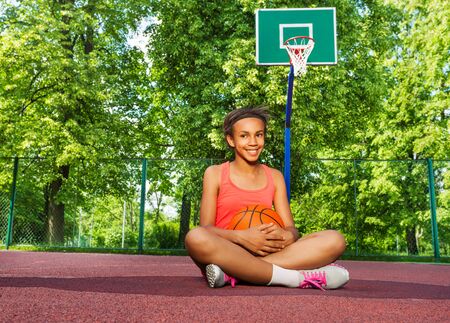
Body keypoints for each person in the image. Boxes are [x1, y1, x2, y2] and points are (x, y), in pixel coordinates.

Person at [185, 106, 349, 290]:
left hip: (266, 252)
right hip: (226, 252)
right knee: (195, 237)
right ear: (231, 140)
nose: (253, 142)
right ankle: (294, 278)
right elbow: (206, 228)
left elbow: (292, 230)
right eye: (244, 136)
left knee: (335, 239)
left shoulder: (275, 176)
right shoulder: (215, 173)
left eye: (259, 135)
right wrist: (242, 237)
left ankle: (236, 274)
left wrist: (287, 235)